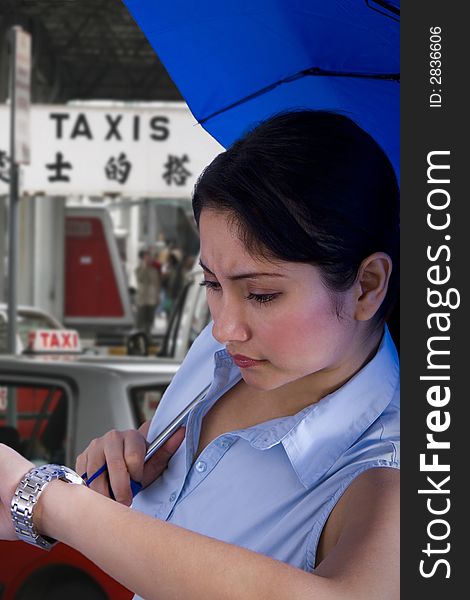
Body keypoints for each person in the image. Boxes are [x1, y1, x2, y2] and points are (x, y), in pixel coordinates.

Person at [0, 111, 400, 600]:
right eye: (212, 283)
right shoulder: (222, 355)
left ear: (367, 285)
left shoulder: (391, 465)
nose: (223, 327)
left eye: (262, 294)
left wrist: (46, 499)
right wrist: (121, 460)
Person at [135, 249, 161, 339]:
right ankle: (139, 337)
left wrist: (157, 297)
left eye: (149, 257)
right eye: (146, 257)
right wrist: (144, 266)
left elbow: (157, 284)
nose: (148, 259)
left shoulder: (154, 270)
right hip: (142, 299)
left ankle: (148, 336)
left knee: (149, 320)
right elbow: (141, 278)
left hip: (152, 299)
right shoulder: (139, 269)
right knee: (141, 320)